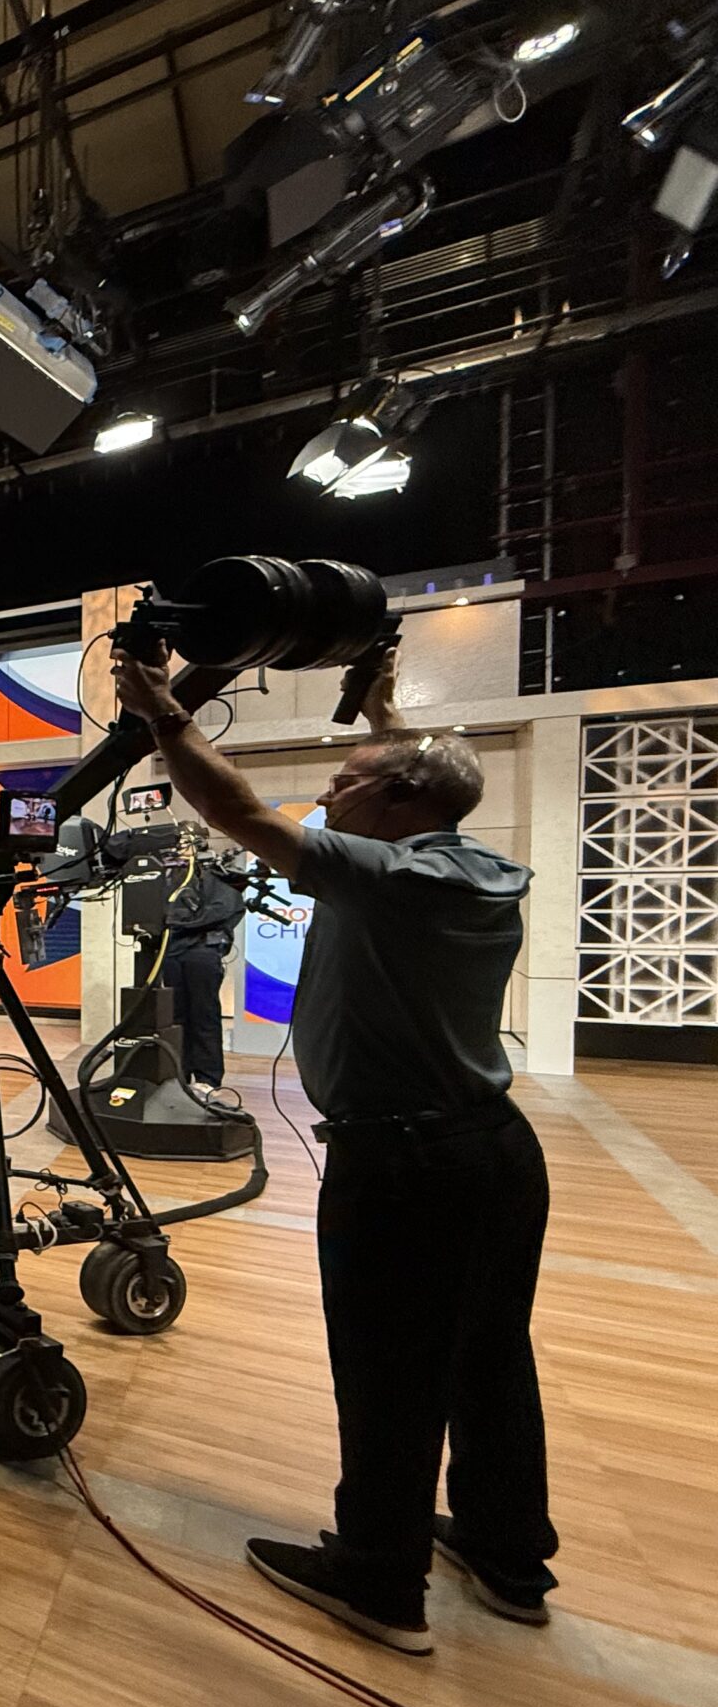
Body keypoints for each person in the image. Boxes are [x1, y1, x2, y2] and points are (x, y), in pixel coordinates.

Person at [111, 644, 552, 1655]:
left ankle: (376, 1577)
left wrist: (165, 716)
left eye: (347, 780)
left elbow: (241, 817)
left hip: (401, 1168)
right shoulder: (467, 864)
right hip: (493, 1152)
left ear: (399, 801)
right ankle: (505, 1556)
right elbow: (407, 770)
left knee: (388, 1368)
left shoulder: (385, 876)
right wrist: (385, 711)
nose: (325, 792)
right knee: (489, 1359)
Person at [158, 839, 247, 1094]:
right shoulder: (166, 877)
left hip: (202, 953)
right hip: (173, 952)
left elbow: (224, 909)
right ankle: (179, 1074)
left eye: (188, 841)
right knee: (176, 1016)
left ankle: (208, 1078)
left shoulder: (217, 875)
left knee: (204, 1014)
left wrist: (178, 921)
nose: (182, 848)